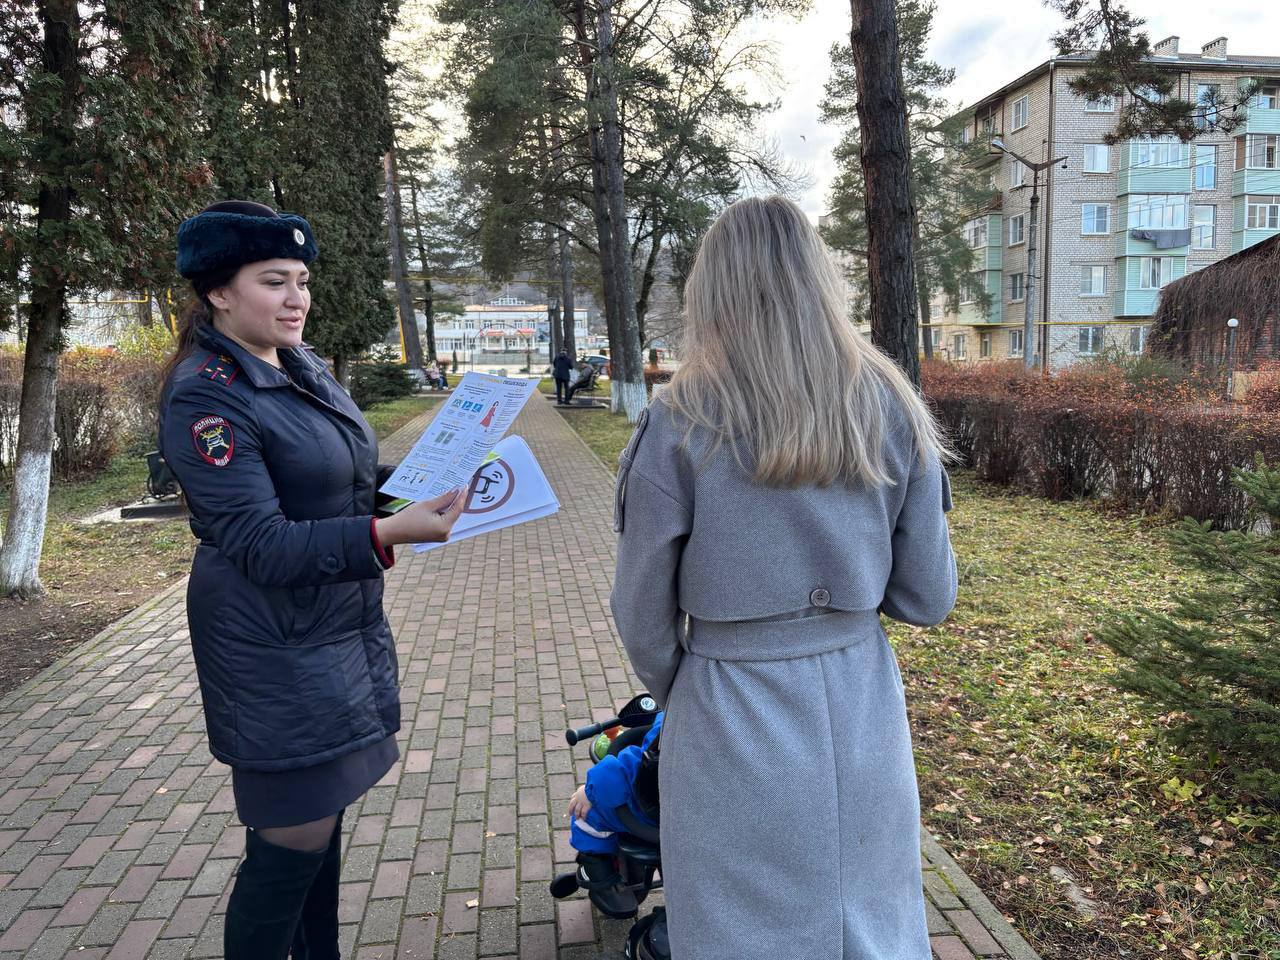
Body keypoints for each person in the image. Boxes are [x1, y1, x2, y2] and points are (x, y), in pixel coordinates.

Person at [610, 195, 957, 960]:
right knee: (867, 920)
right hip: (861, 704)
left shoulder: (682, 415)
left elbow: (640, 613)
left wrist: (689, 686)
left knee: (737, 931)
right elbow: (928, 596)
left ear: (712, 288)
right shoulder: (890, 402)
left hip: (728, 705)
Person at [158, 200, 468, 959]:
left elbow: (338, 477)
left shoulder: (299, 363)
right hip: (271, 643)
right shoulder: (206, 393)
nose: (296, 298)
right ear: (218, 291)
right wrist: (387, 532)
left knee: (318, 829)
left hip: (330, 627)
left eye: (301, 280)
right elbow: (258, 543)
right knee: (288, 850)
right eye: (274, 281)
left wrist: (420, 486)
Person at [566, 713, 663, 919]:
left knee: (586, 812)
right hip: (707, 816)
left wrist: (589, 791)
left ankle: (597, 870)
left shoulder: (677, 724)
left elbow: (627, 772)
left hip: (654, 816)